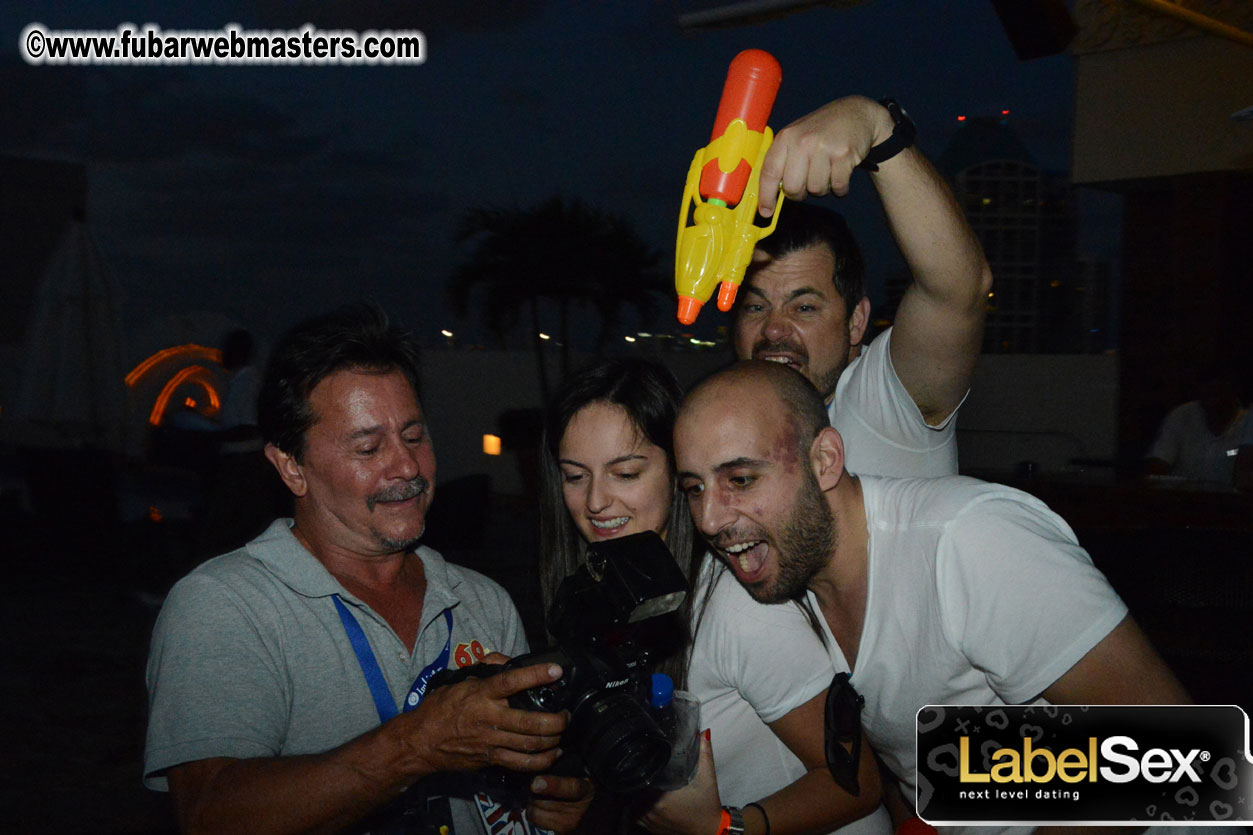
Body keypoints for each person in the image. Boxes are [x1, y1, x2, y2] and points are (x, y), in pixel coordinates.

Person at [673, 361, 1192, 832]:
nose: (711, 520)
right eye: (694, 488)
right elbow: (920, 750)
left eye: (740, 478)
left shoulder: (968, 538)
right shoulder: (792, 578)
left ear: (826, 459)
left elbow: (1169, 749)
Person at [144, 305, 592, 835]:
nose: (406, 467)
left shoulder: (481, 601)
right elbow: (209, 815)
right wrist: (416, 745)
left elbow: (510, 804)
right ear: (292, 467)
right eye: (368, 447)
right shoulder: (224, 606)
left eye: (413, 435)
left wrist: (550, 807)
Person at [538, 358, 886, 835]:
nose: (596, 501)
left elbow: (859, 782)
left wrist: (726, 828)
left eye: (626, 473)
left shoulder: (735, 605)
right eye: (576, 476)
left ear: (676, 473)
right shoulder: (600, 603)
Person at [732, 95, 992, 478]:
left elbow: (959, 288)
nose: (773, 328)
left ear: (856, 321)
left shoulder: (884, 401)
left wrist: (874, 127)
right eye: (756, 307)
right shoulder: (723, 419)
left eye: (804, 307)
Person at [1143, 364, 1253, 489]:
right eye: (1207, 394)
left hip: (1228, 503)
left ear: (1234, 391)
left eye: (1217, 393)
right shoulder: (1183, 416)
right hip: (1180, 500)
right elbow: (1160, 459)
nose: (1212, 401)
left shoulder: (1247, 422)